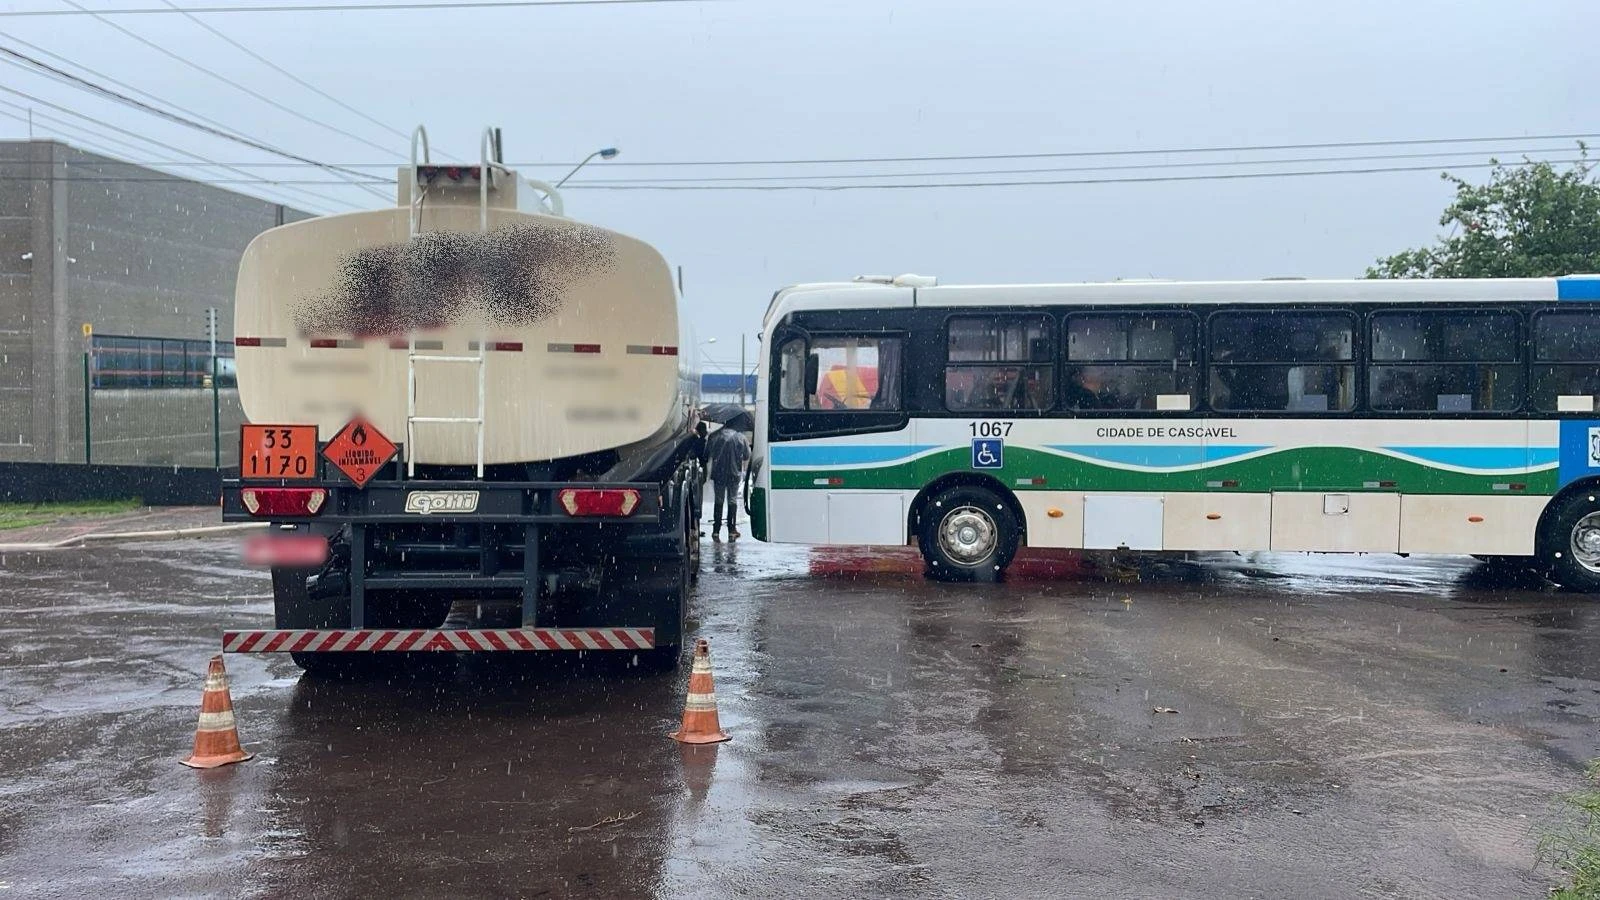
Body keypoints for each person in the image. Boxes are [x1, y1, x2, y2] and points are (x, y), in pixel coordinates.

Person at [706, 425, 750, 540]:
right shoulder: (740, 437)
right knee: (732, 500)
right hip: (734, 473)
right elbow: (747, 456)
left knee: (718, 500)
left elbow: (706, 454)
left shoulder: (715, 436)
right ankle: (731, 530)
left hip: (718, 473)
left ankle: (716, 530)